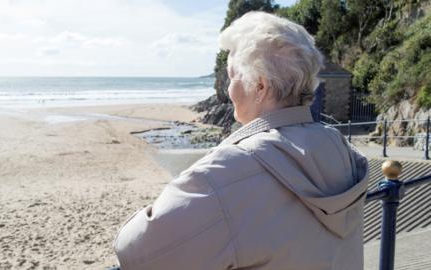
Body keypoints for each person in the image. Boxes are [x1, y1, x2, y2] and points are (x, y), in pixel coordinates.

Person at [113, 11, 369, 270]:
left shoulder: (227, 172)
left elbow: (135, 250)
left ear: (260, 87)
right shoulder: (339, 147)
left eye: (233, 76)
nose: (228, 88)